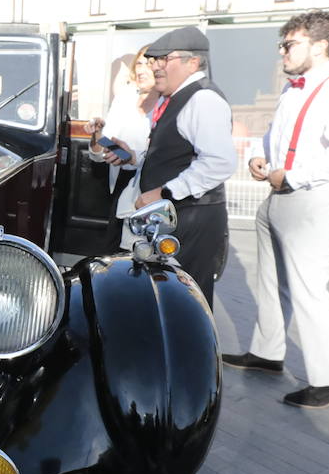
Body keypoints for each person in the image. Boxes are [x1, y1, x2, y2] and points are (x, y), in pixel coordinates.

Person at [223, 10, 329, 409]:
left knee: (309, 290)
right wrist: (258, 155)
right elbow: (275, 135)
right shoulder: (294, 89)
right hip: (280, 196)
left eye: (289, 45)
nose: (282, 53)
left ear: (320, 46)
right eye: (282, 45)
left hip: (314, 198)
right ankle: (267, 353)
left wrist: (293, 176)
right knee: (270, 281)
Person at [98, 27, 234, 307]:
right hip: (172, 216)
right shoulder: (175, 98)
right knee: (163, 298)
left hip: (191, 217)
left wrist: (165, 192)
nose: (156, 66)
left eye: (164, 59)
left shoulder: (203, 99)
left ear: (192, 62)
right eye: (153, 60)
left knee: (185, 302)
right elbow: (174, 154)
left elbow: (219, 162)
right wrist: (132, 156)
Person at [88, 47, 157, 253]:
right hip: (120, 184)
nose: (142, 69)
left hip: (150, 187)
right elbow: (104, 149)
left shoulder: (167, 102)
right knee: (114, 252)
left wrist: (130, 157)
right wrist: (97, 134)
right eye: (139, 63)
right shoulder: (126, 95)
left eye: (149, 64)